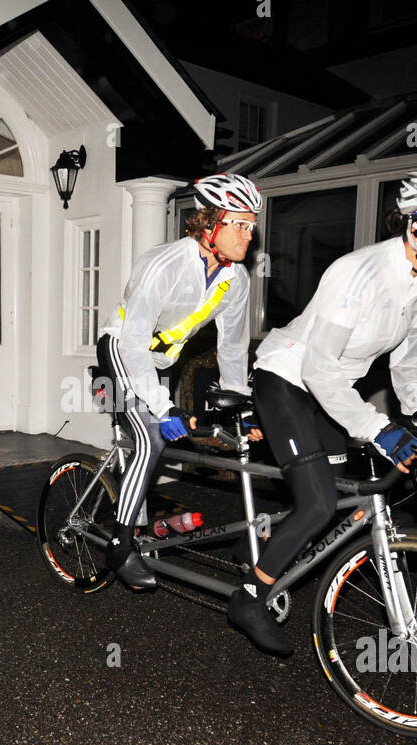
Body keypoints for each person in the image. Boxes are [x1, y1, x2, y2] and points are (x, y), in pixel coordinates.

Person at [236, 157, 417, 656]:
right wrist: (379, 428)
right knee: (319, 502)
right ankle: (250, 596)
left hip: (334, 395)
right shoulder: (358, 273)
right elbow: (318, 369)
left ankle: (281, 547)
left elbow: (411, 367)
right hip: (288, 380)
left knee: (343, 494)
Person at [97, 173, 264, 589]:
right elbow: (133, 345)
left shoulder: (236, 280)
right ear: (210, 224)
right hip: (121, 349)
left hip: (161, 362)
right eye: (240, 224)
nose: (249, 235)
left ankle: (120, 509)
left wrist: (239, 407)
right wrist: (164, 407)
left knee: (153, 441)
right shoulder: (163, 264)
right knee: (153, 435)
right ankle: (119, 545)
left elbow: (231, 349)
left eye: (252, 226)